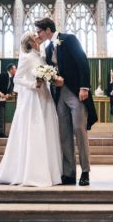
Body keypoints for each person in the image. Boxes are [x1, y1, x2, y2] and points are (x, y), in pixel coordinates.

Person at [0, 32, 62, 186]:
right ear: (32, 42)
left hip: (45, 96)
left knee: (47, 130)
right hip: (33, 98)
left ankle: (51, 171)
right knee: (34, 131)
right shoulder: (27, 57)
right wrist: (32, 85)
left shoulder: (41, 56)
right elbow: (17, 79)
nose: (39, 37)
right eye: (36, 37)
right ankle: (32, 172)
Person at [35, 17, 97, 186]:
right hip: (59, 95)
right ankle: (69, 173)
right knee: (64, 134)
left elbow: (82, 61)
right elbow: (50, 70)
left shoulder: (69, 39)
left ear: (48, 30)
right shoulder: (47, 49)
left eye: (39, 31)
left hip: (76, 92)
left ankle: (85, 171)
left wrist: (84, 87)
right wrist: (53, 79)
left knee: (79, 130)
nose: (38, 34)